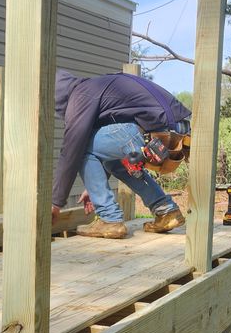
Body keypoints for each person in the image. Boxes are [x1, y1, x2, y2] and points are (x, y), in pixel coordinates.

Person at [51, 68, 190, 239]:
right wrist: (94, 187)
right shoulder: (93, 89)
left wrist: (55, 202)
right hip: (176, 131)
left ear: (57, 98)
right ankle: (166, 210)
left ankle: (109, 219)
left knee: (81, 145)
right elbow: (109, 146)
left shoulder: (81, 96)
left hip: (154, 130)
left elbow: (71, 150)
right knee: (115, 163)